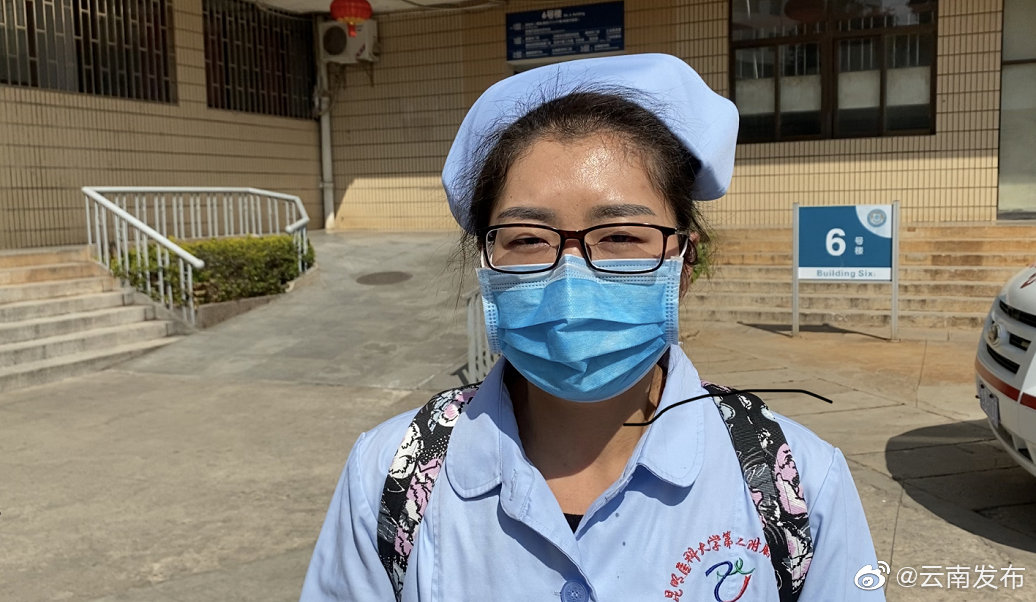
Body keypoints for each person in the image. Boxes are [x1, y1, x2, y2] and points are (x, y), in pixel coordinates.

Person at [300, 53, 883, 601]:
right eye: (528, 239)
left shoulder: (795, 484)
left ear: (684, 262)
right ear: (487, 265)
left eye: (621, 236)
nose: (571, 278)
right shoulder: (391, 477)